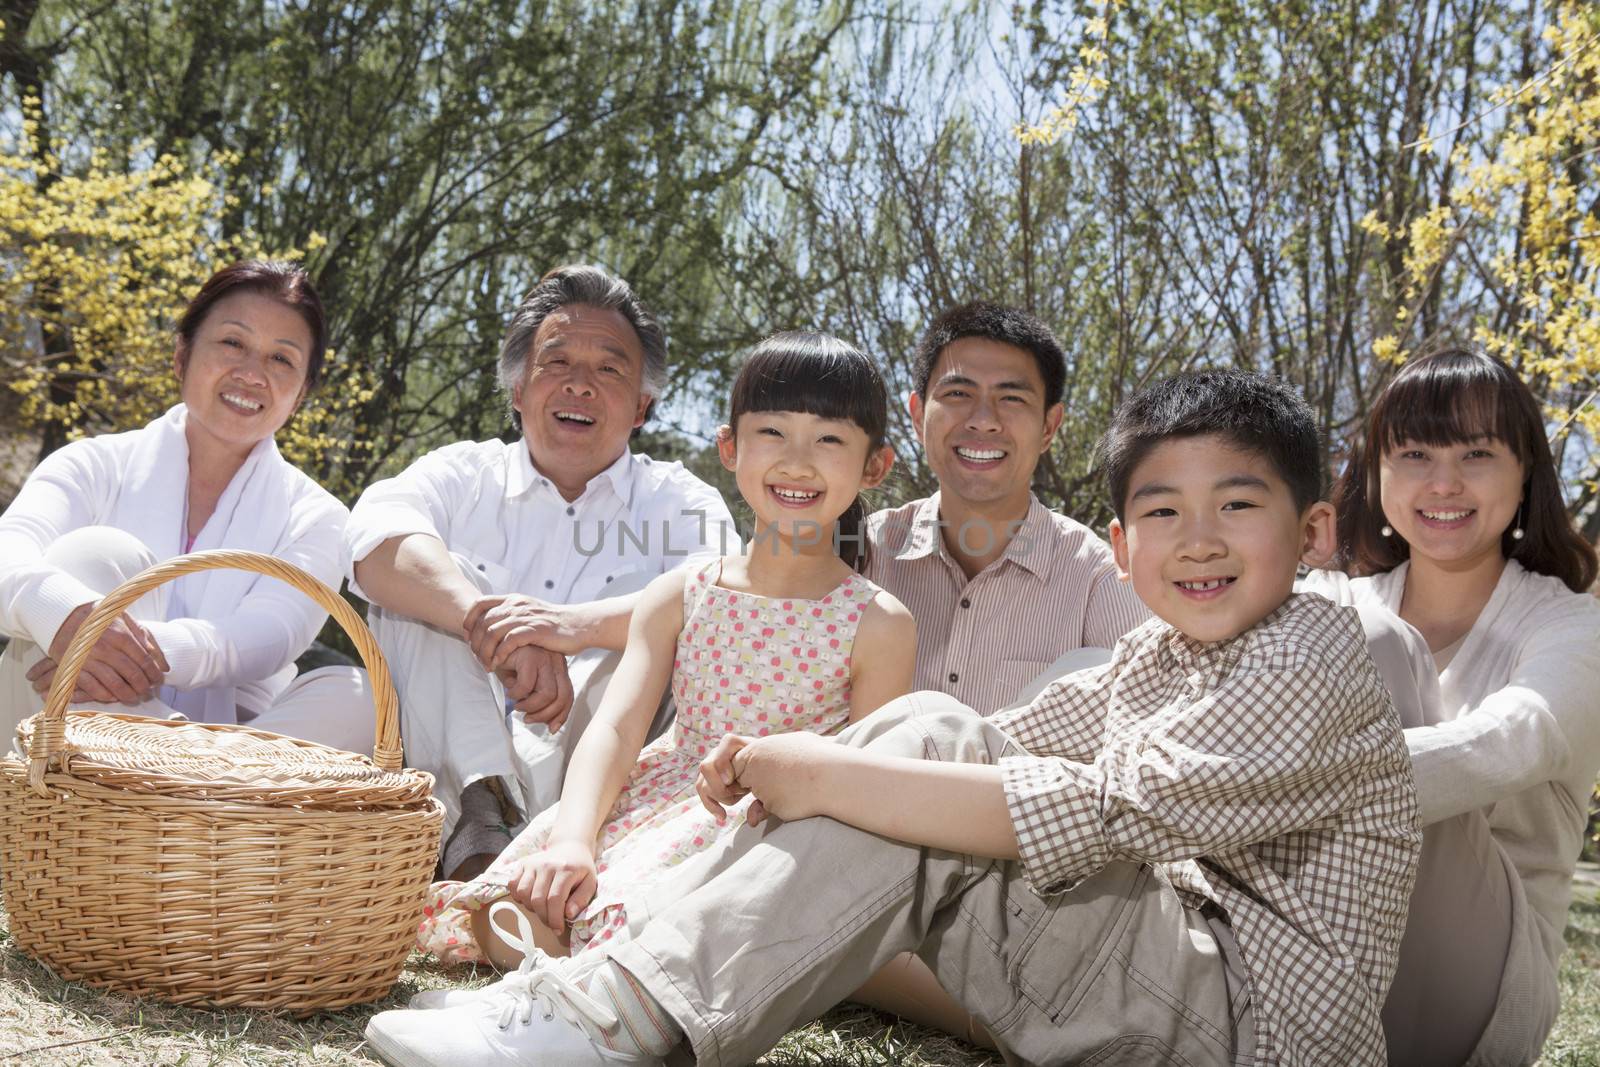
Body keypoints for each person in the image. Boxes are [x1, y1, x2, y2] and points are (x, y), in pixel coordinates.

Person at [363, 368, 1422, 1067]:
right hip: (1153, 977)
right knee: (929, 730)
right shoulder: (1160, 653)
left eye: (1236, 505)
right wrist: (793, 756)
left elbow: (1095, 810)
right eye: (1161, 512)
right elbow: (992, 742)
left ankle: (611, 1020)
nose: (1197, 540)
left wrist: (818, 773)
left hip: (1245, 1026)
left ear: (1316, 529)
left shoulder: (1310, 648)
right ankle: (611, 1002)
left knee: (909, 752)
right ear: (1122, 538)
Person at [409, 331, 915, 970]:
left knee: (632, 928)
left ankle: (664, 960)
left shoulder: (878, 622)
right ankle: (619, 945)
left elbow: (865, 786)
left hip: (771, 829)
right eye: (773, 433)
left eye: (830, 439)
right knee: (512, 913)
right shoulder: (681, 594)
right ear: (729, 448)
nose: (797, 461)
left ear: (874, 466)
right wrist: (572, 839)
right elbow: (618, 729)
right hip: (652, 804)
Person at [346, 265, 737, 881]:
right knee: (430, 591)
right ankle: (481, 832)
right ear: (517, 391)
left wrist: (568, 627)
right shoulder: (463, 473)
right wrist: (489, 622)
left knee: (652, 617)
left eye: (609, 369)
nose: (580, 385)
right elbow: (373, 540)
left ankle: (565, 844)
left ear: (642, 406)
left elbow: (717, 596)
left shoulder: (678, 500)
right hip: (452, 760)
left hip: (598, 775)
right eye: (555, 363)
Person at [1302, 347, 1600, 1066]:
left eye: (1477, 452)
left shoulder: (1573, 626)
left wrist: (1270, 784)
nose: (1444, 482)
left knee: (1370, 646)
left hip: (1480, 981)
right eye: (1413, 453)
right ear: (1376, 470)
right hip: (1314, 948)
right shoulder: (1330, 598)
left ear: (1524, 469)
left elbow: (1509, 742)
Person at [0, 260, 370, 753]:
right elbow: (9, 553)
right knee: (93, 554)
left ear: (300, 395)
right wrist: (66, 617)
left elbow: (266, 638)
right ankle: (181, 776)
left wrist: (122, 652)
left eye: (281, 359)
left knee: (358, 697)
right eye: (233, 343)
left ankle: (178, 769)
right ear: (181, 356)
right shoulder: (92, 463)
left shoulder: (319, 517)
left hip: (224, 755)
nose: (253, 373)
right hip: (50, 739)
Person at [864, 301, 1148, 715]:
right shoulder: (861, 553)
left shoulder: (1096, 580)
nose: (984, 420)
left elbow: (1140, 725)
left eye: (1012, 398)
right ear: (918, 414)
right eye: (958, 393)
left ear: (1049, 427)